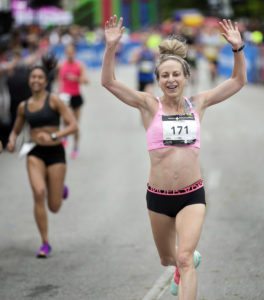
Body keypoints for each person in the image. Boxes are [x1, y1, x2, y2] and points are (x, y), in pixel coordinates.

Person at [101, 16, 246, 299]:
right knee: (168, 260)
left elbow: (238, 81)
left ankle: (186, 262)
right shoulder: (147, 105)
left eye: (176, 74)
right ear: (157, 81)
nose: (171, 79)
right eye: (164, 75)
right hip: (158, 197)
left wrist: (237, 49)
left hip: (192, 194)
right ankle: (179, 265)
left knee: (185, 258)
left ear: (186, 78)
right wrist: (111, 48)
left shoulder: (198, 103)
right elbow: (108, 82)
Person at [7, 61, 78, 258]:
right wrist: (11, 142)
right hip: (35, 153)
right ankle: (45, 243)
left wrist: (55, 136)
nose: (36, 80)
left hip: (55, 153)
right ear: (29, 81)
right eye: (33, 77)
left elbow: (73, 126)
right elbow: (16, 131)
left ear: (46, 81)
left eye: (40, 77)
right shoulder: (24, 107)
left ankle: (60, 187)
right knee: (38, 193)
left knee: (54, 206)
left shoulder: (54, 101)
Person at [58, 43, 89, 159]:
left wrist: (76, 78)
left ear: (74, 53)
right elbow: (59, 81)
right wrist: (58, 93)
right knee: (65, 120)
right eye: (68, 52)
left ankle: (75, 147)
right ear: (65, 53)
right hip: (65, 96)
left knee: (75, 124)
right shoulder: (61, 65)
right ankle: (65, 136)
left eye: (72, 52)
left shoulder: (79, 65)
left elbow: (86, 81)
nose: (70, 54)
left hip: (76, 96)